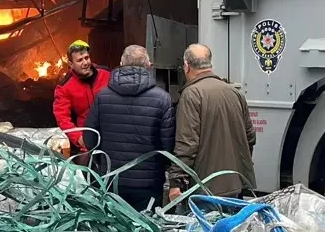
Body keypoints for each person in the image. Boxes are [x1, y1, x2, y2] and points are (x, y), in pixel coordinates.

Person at [84, 45, 175, 211]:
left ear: (121, 64)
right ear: (148, 65)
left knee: (113, 223)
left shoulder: (102, 96)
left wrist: (101, 163)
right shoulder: (163, 99)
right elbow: (168, 144)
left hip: (111, 180)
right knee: (145, 222)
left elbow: (90, 138)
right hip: (148, 182)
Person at [168, 43, 256, 202]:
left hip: (205, 187)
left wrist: (176, 182)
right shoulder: (234, 92)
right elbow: (250, 137)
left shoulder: (191, 94)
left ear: (187, 66)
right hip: (236, 183)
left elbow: (187, 144)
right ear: (210, 64)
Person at [53, 39, 110, 156]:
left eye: (86, 58)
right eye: (80, 60)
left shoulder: (106, 74)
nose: (85, 63)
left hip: (112, 136)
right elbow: (62, 117)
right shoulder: (64, 87)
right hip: (87, 143)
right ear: (71, 64)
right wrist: (78, 138)